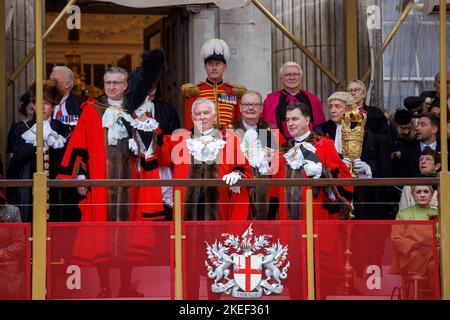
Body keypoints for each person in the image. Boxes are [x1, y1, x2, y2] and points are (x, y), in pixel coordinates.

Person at [123, 49, 181, 221]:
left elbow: (177, 141)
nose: (150, 91)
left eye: (153, 87)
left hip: (163, 170)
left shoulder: (168, 110)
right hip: (140, 174)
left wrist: (163, 144)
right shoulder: (127, 114)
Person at [276, 102, 353, 220]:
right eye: (288, 120)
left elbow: (345, 178)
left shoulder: (324, 145)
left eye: (295, 119)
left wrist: (322, 173)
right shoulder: (283, 150)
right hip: (286, 219)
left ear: (307, 120)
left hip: (315, 218)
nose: (290, 124)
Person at [7, 80, 70, 222]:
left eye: (47, 103)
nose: (42, 107)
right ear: (34, 106)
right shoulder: (22, 128)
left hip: (55, 186)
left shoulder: (62, 129)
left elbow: (65, 159)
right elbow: (17, 158)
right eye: (39, 103)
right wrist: (37, 145)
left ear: (53, 107)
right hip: (28, 184)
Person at [314, 91, 376, 219]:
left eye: (337, 106)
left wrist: (364, 167)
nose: (333, 110)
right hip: (331, 187)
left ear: (348, 109)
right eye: (331, 106)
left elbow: (373, 159)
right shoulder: (320, 130)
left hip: (357, 188)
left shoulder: (361, 130)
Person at [233, 90, 285, 219]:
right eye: (246, 104)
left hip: (266, 194)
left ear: (261, 108)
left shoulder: (269, 130)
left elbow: (279, 162)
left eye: (255, 105)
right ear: (240, 108)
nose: (250, 108)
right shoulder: (231, 130)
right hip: (239, 193)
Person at [182, 38, 246, 130]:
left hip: (229, 140)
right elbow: (190, 127)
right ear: (205, 67)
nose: (214, 68)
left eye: (218, 64)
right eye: (210, 64)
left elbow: (239, 124)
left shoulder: (234, 92)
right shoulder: (194, 91)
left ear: (224, 67)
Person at [96, 67, 132, 222]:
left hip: (132, 175)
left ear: (125, 85)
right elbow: (80, 144)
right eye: (108, 83)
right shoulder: (93, 110)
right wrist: (81, 174)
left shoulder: (137, 109)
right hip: (101, 174)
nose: (111, 87)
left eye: (116, 83)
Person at [261, 62, 326, 139]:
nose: (292, 77)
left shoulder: (313, 99)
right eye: (288, 75)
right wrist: (270, 148)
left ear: (301, 78)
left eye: (296, 74)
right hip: (279, 147)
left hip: (309, 145)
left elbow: (320, 127)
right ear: (281, 78)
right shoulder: (270, 100)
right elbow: (265, 127)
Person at [402, 112, 441, 177]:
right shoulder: (407, 149)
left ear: (434, 129)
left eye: (422, 125)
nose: (417, 128)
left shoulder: (445, 149)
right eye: (417, 125)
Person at [6, 92, 35, 160]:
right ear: (25, 106)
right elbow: (12, 154)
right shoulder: (15, 127)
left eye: (34, 102)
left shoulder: (44, 125)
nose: (31, 105)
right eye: (28, 103)